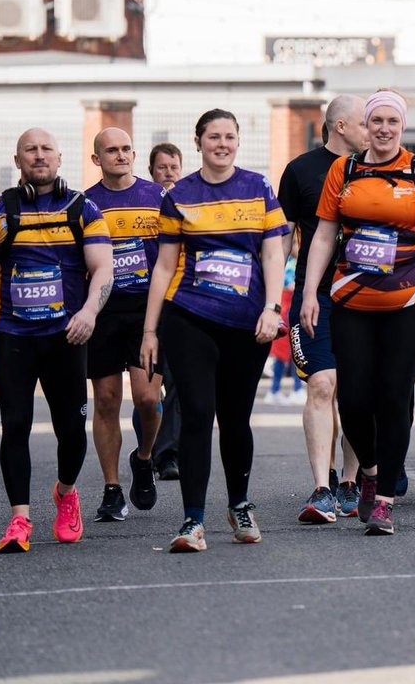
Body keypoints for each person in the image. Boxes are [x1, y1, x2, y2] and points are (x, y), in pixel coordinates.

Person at [300, 89, 415, 536]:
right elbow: (325, 236)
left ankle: (385, 496)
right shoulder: (343, 169)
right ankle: (368, 470)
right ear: (365, 127)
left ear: (402, 127)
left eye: (392, 121)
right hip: (351, 301)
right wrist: (311, 292)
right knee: (353, 399)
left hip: (411, 301)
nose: (384, 129)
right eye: (377, 122)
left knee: (393, 395)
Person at [140, 109, 288, 552]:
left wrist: (273, 308)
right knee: (198, 413)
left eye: (229, 136)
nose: (222, 144)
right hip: (189, 316)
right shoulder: (180, 195)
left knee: (236, 417)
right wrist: (151, 331)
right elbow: (164, 266)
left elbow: (273, 256)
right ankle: (193, 521)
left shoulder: (258, 187)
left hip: (247, 323)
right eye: (213, 137)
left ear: (238, 142)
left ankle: (239, 504)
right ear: (199, 142)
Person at [0, 128, 113, 552]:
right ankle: (20, 519)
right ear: (18, 160)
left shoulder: (84, 209)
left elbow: (103, 269)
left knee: (71, 429)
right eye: (31, 150)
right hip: (13, 337)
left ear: (60, 159)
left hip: (67, 336)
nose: (39, 156)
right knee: (15, 426)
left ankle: (66, 493)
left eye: (46, 149)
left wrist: (88, 312)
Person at [278, 94, 367, 523]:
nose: (374, 130)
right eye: (365, 122)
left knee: (355, 391)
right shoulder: (299, 171)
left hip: (366, 295)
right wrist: (274, 299)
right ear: (341, 126)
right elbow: (284, 236)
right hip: (316, 296)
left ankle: (351, 482)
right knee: (322, 385)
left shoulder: (376, 169)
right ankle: (321, 487)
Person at [84, 128, 165, 522]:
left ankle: (144, 457)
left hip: (147, 314)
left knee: (148, 398)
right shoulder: (86, 204)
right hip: (102, 314)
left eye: (126, 149)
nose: (121, 156)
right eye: (111, 151)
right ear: (97, 159)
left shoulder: (158, 197)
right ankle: (112, 489)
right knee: (106, 401)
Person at [147, 142, 184, 481]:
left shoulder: (188, 205)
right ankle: (146, 449)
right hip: (141, 306)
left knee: (174, 382)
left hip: (176, 304)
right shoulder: (143, 205)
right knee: (145, 391)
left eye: (174, 167)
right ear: (152, 172)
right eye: (163, 168)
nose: (169, 173)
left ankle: (167, 453)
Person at [263, 259, 305, 406]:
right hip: (287, 312)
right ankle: (287, 390)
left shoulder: (291, 263)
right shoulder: (291, 265)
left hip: (289, 311)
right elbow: (293, 287)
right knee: (290, 354)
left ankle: (287, 389)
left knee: (293, 354)